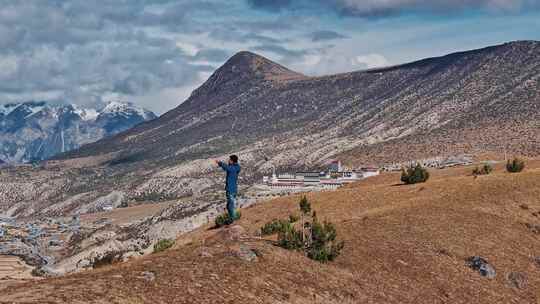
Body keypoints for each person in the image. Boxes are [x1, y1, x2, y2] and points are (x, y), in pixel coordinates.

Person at [214, 155, 241, 224]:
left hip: (230, 189)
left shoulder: (231, 168)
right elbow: (230, 166)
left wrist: (219, 162)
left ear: (232, 161)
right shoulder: (237, 168)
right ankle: (233, 217)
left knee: (230, 206)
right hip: (234, 189)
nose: (228, 161)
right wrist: (233, 163)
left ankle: (233, 219)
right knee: (230, 205)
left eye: (229, 160)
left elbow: (226, 167)